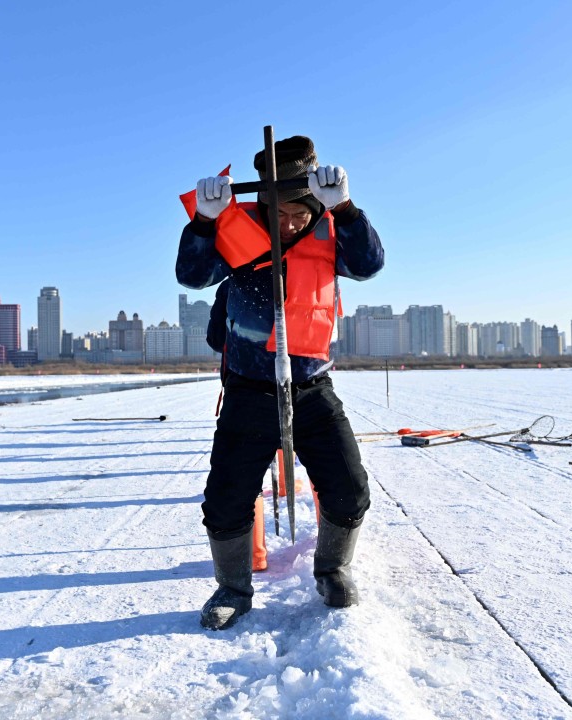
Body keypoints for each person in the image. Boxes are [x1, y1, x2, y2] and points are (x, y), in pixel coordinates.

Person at [176, 135, 384, 630]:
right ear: (265, 207)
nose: (289, 223)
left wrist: (347, 209)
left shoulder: (333, 231)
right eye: (280, 213)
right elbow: (192, 275)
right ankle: (232, 587)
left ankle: (333, 570)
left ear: (316, 205)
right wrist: (203, 221)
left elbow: (369, 264)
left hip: (312, 389)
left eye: (299, 213)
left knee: (349, 488)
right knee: (226, 498)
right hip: (250, 391)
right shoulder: (237, 234)